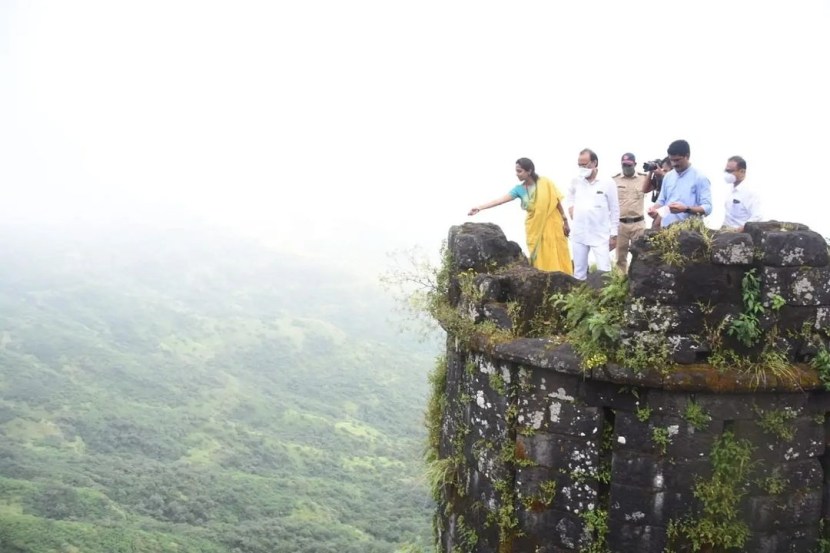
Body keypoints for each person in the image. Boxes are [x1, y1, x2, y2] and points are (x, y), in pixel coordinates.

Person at [468, 158, 573, 274]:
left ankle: (564, 278)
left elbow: (556, 202)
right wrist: (480, 207)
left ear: (529, 171)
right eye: (516, 171)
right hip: (534, 228)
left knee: (557, 250)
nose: (517, 174)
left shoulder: (545, 182)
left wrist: (565, 221)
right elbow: (501, 200)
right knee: (538, 254)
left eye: (519, 171)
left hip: (552, 224)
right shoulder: (519, 189)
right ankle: (545, 280)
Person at [566, 148, 619, 280]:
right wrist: (571, 207)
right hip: (579, 232)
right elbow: (570, 195)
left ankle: (605, 298)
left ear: (594, 163)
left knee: (604, 271)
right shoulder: (576, 180)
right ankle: (579, 298)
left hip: (600, 233)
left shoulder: (607, 182)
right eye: (579, 165)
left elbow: (615, 209)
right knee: (579, 271)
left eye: (585, 164)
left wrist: (614, 234)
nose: (582, 168)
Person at [647, 139, 712, 228]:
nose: (674, 164)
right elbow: (662, 200)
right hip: (666, 230)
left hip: (690, 232)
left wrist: (686, 209)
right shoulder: (668, 176)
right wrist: (654, 209)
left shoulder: (700, 178)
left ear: (687, 156)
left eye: (677, 160)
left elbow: (708, 208)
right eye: (671, 160)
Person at [612, 152, 650, 272]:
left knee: (640, 255)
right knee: (620, 258)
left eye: (629, 165)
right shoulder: (614, 180)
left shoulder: (644, 178)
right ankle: (621, 284)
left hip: (638, 224)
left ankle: (638, 282)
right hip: (621, 225)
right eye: (624, 165)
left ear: (635, 164)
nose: (626, 168)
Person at [721, 155, 761, 232]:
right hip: (727, 233)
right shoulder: (731, 190)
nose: (727, 174)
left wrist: (740, 230)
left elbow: (757, 217)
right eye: (726, 171)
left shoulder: (750, 192)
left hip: (742, 236)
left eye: (730, 171)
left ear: (742, 172)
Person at [643, 157, 672, 230]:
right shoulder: (660, 179)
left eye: (665, 170)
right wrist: (651, 171)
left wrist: (662, 175)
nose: (662, 171)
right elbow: (644, 189)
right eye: (662, 169)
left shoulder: (673, 181)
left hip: (670, 215)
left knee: (656, 226)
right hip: (660, 211)